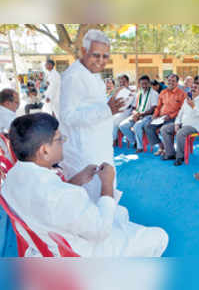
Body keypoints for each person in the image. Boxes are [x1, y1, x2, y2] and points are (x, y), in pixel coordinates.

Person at [3, 113, 168, 257]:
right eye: (59, 139)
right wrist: (107, 183)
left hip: (46, 243)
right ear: (44, 150)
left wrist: (78, 180)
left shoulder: (12, 177)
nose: (63, 143)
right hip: (78, 254)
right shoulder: (65, 196)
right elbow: (100, 231)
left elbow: (50, 201)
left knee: (120, 213)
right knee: (159, 236)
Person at [59, 29, 125, 202]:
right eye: (96, 55)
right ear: (83, 51)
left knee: (104, 193)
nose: (101, 61)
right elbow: (67, 116)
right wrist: (106, 110)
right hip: (84, 152)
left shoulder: (91, 74)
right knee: (91, 200)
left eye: (105, 56)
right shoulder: (73, 76)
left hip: (98, 145)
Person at [160, 81, 199, 165]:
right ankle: (170, 153)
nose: (192, 89)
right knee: (164, 129)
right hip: (182, 124)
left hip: (193, 127)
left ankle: (180, 157)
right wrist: (176, 123)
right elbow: (180, 113)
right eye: (192, 87)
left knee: (180, 133)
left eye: (195, 88)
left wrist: (193, 106)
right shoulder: (188, 99)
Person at [144, 74, 186, 157]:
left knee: (164, 129)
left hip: (174, 118)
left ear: (177, 82)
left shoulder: (182, 94)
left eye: (173, 81)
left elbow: (182, 110)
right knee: (148, 126)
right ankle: (161, 146)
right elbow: (158, 107)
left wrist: (170, 116)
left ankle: (168, 150)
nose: (171, 82)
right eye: (169, 81)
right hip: (161, 117)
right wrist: (155, 115)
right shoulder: (163, 92)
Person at [118, 75, 159, 153]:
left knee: (137, 125)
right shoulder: (138, 93)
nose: (144, 86)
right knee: (122, 125)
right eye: (142, 84)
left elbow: (153, 108)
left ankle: (140, 147)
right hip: (137, 115)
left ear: (149, 83)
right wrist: (135, 114)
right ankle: (135, 142)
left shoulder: (153, 93)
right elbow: (134, 107)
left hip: (148, 116)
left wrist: (140, 115)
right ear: (139, 84)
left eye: (146, 83)